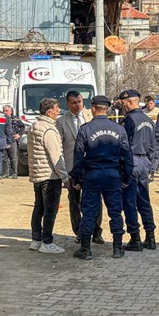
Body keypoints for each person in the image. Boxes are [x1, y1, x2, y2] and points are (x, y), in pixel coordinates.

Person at [70, 95, 133, 260]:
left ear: (93, 108)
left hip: (92, 175)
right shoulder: (119, 129)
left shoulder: (85, 129)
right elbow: (127, 156)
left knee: (89, 211)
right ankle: (117, 247)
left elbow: (78, 157)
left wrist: (76, 179)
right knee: (115, 212)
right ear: (108, 109)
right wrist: (126, 177)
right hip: (113, 175)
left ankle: (85, 248)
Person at [57, 90, 104, 244]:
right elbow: (60, 148)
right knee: (74, 202)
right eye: (74, 103)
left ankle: (97, 232)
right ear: (68, 104)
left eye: (80, 102)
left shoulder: (92, 116)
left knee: (96, 200)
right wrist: (65, 173)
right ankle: (79, 231)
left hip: (93, 167)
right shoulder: (62, 121)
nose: (78, 105)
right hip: (72, 168)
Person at [27, 97, 69, 254]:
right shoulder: (49, 130)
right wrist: (65, 177)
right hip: (50, 176)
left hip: (38, 174)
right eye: (57, 110)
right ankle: (47, 241)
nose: (58, 112)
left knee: (39, 208)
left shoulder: (34, 126)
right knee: (50, 210)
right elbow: (56, 156)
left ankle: (36, 239)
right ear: (50, 111)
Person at [119, 89, 158, 251]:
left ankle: (135, 237)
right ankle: (150, 236)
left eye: (123, 104)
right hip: (144, 162)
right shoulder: (147, 120)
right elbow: (153, 146)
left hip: (131, 162)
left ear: (129, 102)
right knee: (144, 201)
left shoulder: (129, 120)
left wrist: (122, 169)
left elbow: (124, 145)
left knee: (129, 202)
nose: (122, 107)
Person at [2, 105, 25, 179]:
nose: (4, 112)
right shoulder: (1, 119)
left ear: (10, 111)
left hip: (13, 140)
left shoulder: (15, 119)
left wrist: (19, 134)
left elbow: (23, 127)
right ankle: (5, 173)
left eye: (6, 110)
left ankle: (15, 173)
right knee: (4, 158)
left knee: (13, 158)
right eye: (4, 110)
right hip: (3, 140)